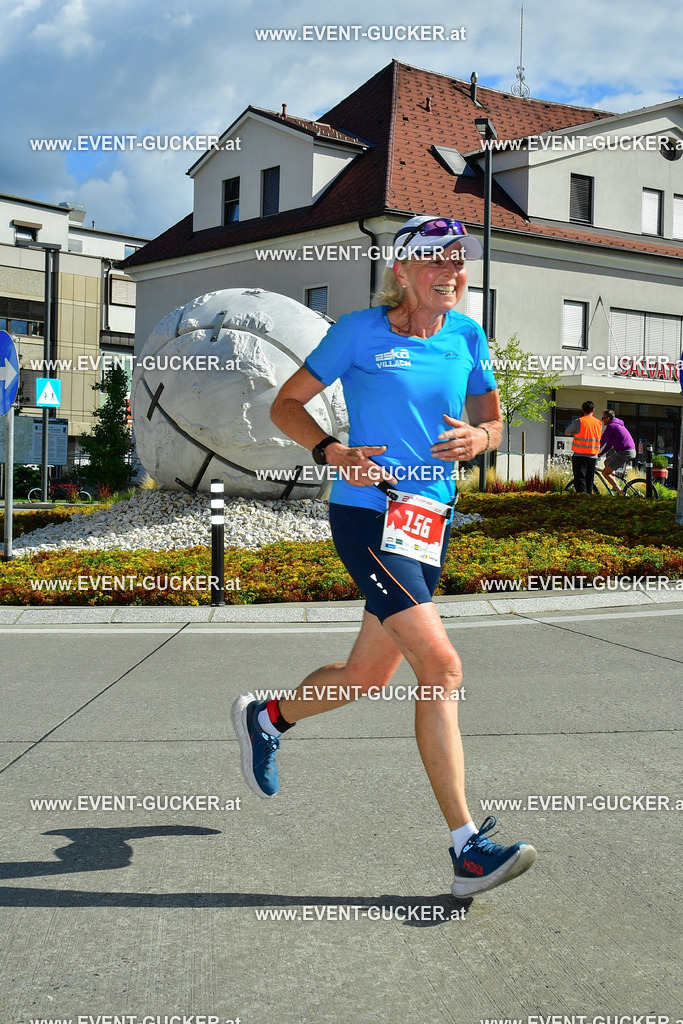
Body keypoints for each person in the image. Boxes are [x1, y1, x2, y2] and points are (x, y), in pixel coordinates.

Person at [232, 215, 537, 898]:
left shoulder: (466, 335)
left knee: (367, 677)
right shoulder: (357, 333)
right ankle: (468, 849)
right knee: (440, 665)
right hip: (367, 516)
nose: (450, 274)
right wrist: (332, 452)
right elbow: (286, 405)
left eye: (457, 262)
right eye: (434, 262)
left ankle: (268, 717)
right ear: (400, 271)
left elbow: (489, 415)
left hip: (428, 523)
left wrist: (481, 440)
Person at [565, 401, 602, 492]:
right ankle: (588, 499)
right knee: (590, 480)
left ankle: (581, 498)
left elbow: (567, 432)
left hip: (579, 455)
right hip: (593, 455)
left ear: (583, 410)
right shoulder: (598, 423)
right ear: (593, 410)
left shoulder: (578, 421)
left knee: (580, 479)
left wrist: (574, 432)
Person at [598, 410, 637, 493]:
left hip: (625, 452)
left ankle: (619, 491)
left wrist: (593, 450)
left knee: (605, 473)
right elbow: (609, 443)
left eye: (603, 418)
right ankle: (614, 488)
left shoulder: (611, 426)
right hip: (628, 451)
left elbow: (602, 440)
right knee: (606, 462)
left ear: (608, 418)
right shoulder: (616, 425)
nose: (602, 420)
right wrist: (600, 453)